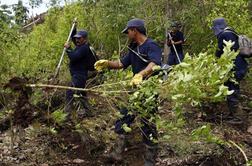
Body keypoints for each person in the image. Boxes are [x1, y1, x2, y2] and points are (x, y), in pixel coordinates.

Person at [94, 18, 162, 166]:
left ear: (134, 30)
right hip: (135, 90)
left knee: (148, 123)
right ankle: (118, 153)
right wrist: (107, 64)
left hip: (149, 91)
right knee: (123, 118)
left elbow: (154, 63)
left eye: (128, 32)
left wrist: (141, 74)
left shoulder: (151, 45)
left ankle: (149, 160)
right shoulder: (133, 48)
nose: (127, 35)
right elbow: (121, 64)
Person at [212, 17, 248, 124]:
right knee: (231, 88)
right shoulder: (231, 32)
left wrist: (215, 61)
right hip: (238, 66)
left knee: (232, 90)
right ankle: (233, 114)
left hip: (234, 67)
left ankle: (237, 117)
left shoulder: (224, 35)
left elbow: (220, 52)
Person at [64, 25, 94, 117]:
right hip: (78, 75)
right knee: (81, 94)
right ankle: (89, 112)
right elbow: (73, 38)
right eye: (76, 38)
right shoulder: (80, 45)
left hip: (79, 75)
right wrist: (74, 29)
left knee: (70, 91)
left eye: (79, 38)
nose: (77, 40)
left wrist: (68, 49)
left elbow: (74, 57)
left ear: (84, 39)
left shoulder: (84, 48)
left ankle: (67, 114)